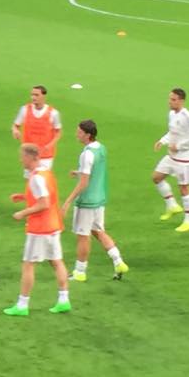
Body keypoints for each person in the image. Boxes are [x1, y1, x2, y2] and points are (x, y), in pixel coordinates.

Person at [4, 143, 70, 316]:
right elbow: (46, 196)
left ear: (29, 157)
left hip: (40, 228)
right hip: (53, 225)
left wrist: (22, 213)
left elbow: (44, 203)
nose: (21, 160)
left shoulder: (36, 178)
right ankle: (64, 300)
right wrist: (24, 196)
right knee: (57, 262)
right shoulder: (46, 172)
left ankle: (22, 305)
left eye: (22, 157)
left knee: (28, 265)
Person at [61, 120, 128, 282]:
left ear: (88, 135)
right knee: (98, 231)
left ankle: (80, 272)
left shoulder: (86, 154)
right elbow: (94, 171)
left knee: (83, 236)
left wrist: (68, 201)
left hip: (87, 201)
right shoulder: (101, 148)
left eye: (79, 132)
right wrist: (79, 172)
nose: (76, 134)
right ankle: (118, 262)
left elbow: (84, 183)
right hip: (99, 199)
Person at [152, 88, 189, 232]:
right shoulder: (172, 114)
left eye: (173, 100)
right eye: (170, 99)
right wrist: (162, 141)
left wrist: (179, 146)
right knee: (156, 177)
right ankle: (172, 205)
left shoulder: (188, 117)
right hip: (171, 156)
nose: (170, 102)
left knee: (184, 188)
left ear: (181, 101)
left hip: (185, 159)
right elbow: (173, 132)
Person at [12, 86, 62, 174]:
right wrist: (15, 130)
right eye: (32, 95)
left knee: (43, 178)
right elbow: (15, 125)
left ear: (43, 96)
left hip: (45, 156)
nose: (33, 97)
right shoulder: (25, 110)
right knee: (30, 180)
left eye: (36, 95)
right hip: (29, 154)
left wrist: (50, 145)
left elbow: (58, 132)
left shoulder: (53, 113)